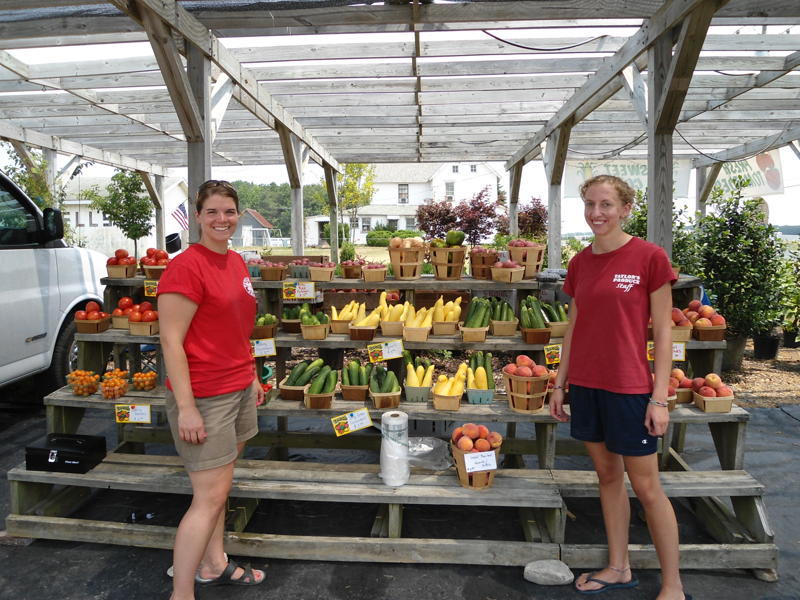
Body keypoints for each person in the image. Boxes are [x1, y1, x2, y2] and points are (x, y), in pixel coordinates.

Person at [549, 175, 690, 600]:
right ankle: (618, 567)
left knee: (647, 487)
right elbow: (574, 327)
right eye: (590, 204)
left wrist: (659, 398)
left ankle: (673, 585)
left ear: (626, 209)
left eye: (606, 204)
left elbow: (663, 332)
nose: (596, 213)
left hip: (630, 389)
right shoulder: (580, 262)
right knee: (607, 476)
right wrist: (560, 383)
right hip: (587, 386)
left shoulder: (649, 258)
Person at [157, 180, 266, 600]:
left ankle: (213, 565)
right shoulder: (186, 267)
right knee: (207, 497)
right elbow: (171, 342)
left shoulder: (235, 261)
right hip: (204, 396)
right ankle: (182, 592)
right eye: (213, 212)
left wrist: (250, 374)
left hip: (237, 387)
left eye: (229, 211)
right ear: (198, 217)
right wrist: (186, 407)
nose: (223, 219)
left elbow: (235, 328)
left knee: (219, 491)